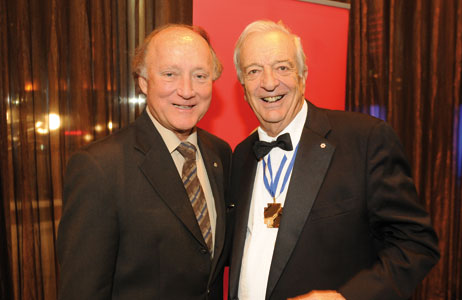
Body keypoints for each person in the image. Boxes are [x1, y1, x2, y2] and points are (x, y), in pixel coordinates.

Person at [229, 20, 440, 300]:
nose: (268, 82)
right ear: (243, 87)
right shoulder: (241, 154)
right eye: (254, 71)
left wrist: (346, 298)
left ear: (303, 76)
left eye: (282, 67)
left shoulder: (365, 139)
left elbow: (416, 244)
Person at [57, 24, 232, 300]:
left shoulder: (219, 154)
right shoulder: (100, 167)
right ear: (143, 81)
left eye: (200, 75)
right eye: (169, 74)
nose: (187, 90)